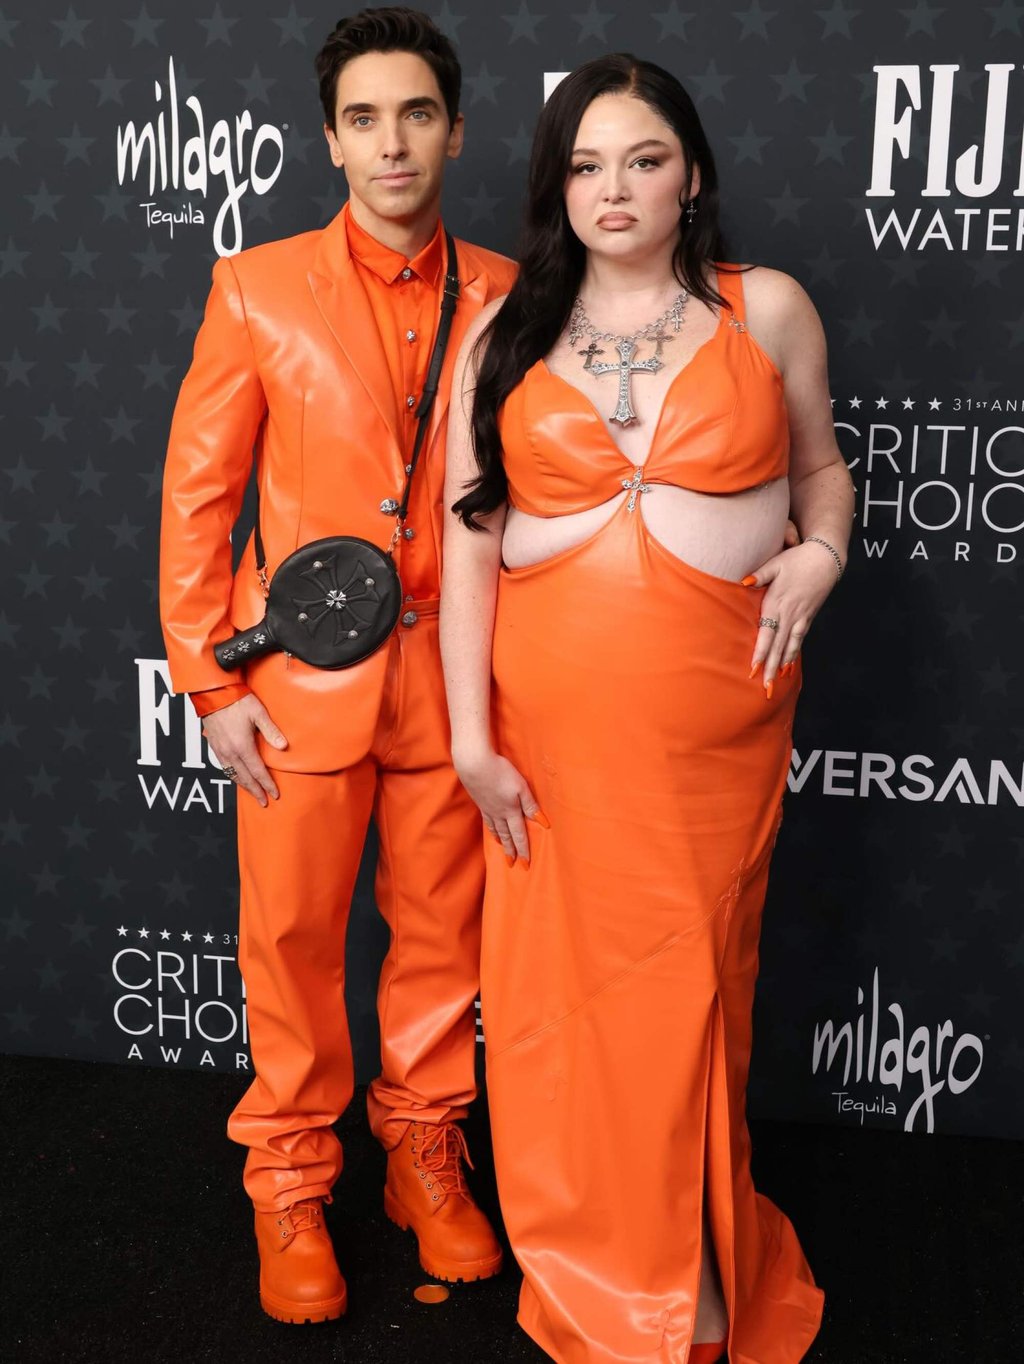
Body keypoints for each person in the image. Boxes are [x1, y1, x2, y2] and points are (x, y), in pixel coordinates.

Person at [441, 53, 852, 1364]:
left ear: (692, 175)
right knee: (571, 1006)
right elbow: (466, 550)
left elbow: (823, 472)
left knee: (692, 991)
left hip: (717, 724)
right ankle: (613, 1271)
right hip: (554, 736)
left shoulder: (766, 309)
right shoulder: (502, 336)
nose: (613, 188)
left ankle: (697, 1268)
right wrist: (470, 738)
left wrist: (824, 553)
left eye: (643, 158)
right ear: (552, 187)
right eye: (583, 164)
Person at [159, 7, 516, 1325]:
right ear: (329, 139)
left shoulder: (512, 289)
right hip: (296, 687)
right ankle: (293, 1180)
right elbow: (199, 499)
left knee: (441, 940)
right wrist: (209, 682)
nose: (392, 141)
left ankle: (423, 1151)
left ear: (456, 130)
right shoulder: (253, 287)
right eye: (364, 118)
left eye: (416, 113)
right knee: (294, 942)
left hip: (459, 680)